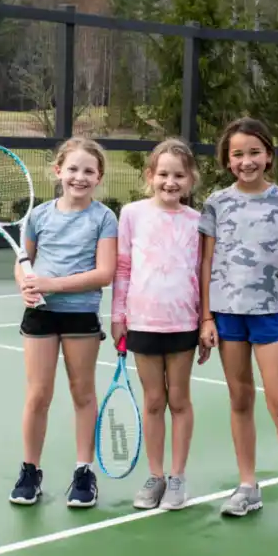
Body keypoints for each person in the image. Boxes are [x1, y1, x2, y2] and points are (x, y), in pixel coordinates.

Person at [198, 117, 278, 531]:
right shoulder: (215, 204)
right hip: (227, 314)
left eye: (255, 152)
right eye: (238, 153)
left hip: (270, 312)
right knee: (240, 402)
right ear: (227, 159)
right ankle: (247, 487)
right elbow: (205, 263)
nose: (247, 160)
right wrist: (205, 316)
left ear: (269, 155)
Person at [10, 136, 118, 509]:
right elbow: (23, 262)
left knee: (83, 393)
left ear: (99, 177)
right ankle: (29, 471)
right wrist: (24, 285)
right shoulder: (38, 216)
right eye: (73, 169)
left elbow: (104, 273)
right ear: (58, 171)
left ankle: (84, 472)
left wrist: (52, 283)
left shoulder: (104, 218)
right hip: (40, 315)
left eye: (89, 170)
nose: (80, 176)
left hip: (80, 314)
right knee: (38, 395)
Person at [110, 137, 212, 511]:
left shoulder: (198, 222)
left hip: (183, 324)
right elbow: (122, 268)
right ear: (150, 176)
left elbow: (204, 273)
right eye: (164, 174)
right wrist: (118, 316)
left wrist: (205, 321)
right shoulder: (132, 214)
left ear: (191, 180)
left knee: (179, 400)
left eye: (179, 176)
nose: (171, 182)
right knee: (154, 401)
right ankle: (155, 476)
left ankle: (178, 477)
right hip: (142, 322)